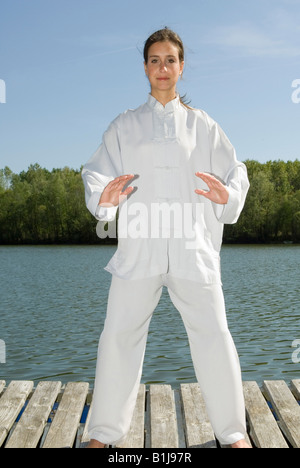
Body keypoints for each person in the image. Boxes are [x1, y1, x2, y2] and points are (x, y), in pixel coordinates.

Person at [82, 28, 251, 449]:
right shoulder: (124, 125)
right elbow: (95, 170)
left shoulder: (204, 126)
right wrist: (102, 195)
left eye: (170, 59)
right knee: (118, 337)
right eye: (154, 60)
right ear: (144, 67)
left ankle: (233, 435)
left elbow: (236, 172)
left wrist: (226, 195)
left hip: (194, 249)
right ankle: (103, 435)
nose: (162, 67)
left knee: (214, 334)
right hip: (139, 249)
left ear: (181, 67)